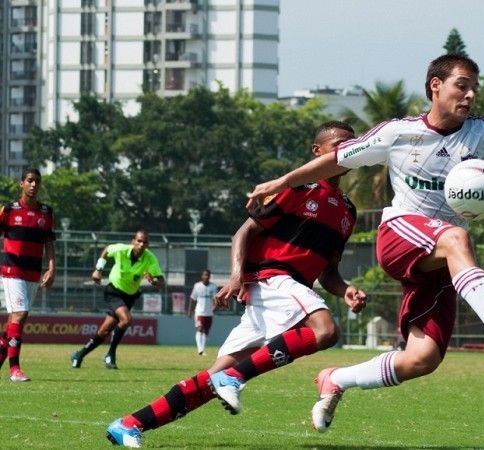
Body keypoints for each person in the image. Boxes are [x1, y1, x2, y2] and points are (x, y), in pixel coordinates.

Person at [246, 54, 484, 433]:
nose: (470, 94)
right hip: (399, 235)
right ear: (436, 86)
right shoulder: (397, 133)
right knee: (457, 235)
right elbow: (335, 161)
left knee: (422, 358)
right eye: (462, 85)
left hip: (443, 258)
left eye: (475, 87)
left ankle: (335, 379)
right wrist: (281, 182)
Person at [105, 121, 367, 447]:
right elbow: (244, 232)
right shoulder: (298, 189)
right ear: (317, 151)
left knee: (209, 379)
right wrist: (235, 276)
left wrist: (347, 290)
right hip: (274, 281)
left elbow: (328, 272)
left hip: (288, 293)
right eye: (338, 145)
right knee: (327, 331)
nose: (345, 151)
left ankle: (129, 424)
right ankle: (234, 378)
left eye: (351, 145)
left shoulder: (348, 211)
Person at [70, 229, 165, 370]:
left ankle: (79, 354)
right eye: (139, 241)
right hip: (114, 291)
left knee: (104, 331)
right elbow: (107, 250)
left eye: (145, 242)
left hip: (130, 296)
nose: (141, 244)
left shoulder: (150, 258)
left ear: (147, 245)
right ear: (133, 241)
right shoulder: (121, 250)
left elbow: (161, 282)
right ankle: (110, 354)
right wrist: (98, 269)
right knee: (126, 320)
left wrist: (154, 281)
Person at [0, 168, 56, 382]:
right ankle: (15, 369)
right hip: (12, 270)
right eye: (30, 181)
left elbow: (49, 243)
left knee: (17, 321)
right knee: (20, 314)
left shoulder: (46, 212)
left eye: (37, 182)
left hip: (33, 273)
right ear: (21, 184)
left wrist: (52, 268)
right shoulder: (9, 210)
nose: (34, 185)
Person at [187, 269, 218, 355]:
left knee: (206, 331)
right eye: (204, 275)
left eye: (207, 275)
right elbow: (192, 298)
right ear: (202, 276)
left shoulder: (213, 287)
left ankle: (203, 349)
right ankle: (200, 349)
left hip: (209, 312)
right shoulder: (197, 286)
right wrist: (189, 310)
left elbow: (216, 299)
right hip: (199, 312)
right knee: (200, 328)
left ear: (209, 276)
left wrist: (216, 306)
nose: (206, 277)